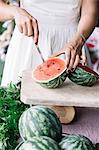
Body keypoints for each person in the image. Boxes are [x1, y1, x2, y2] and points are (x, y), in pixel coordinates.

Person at [0, 0, 97, 86]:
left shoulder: (75, 43)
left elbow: (90, 12)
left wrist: (77, 41)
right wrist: (15, 12)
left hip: (72, 43)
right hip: (27, 43)